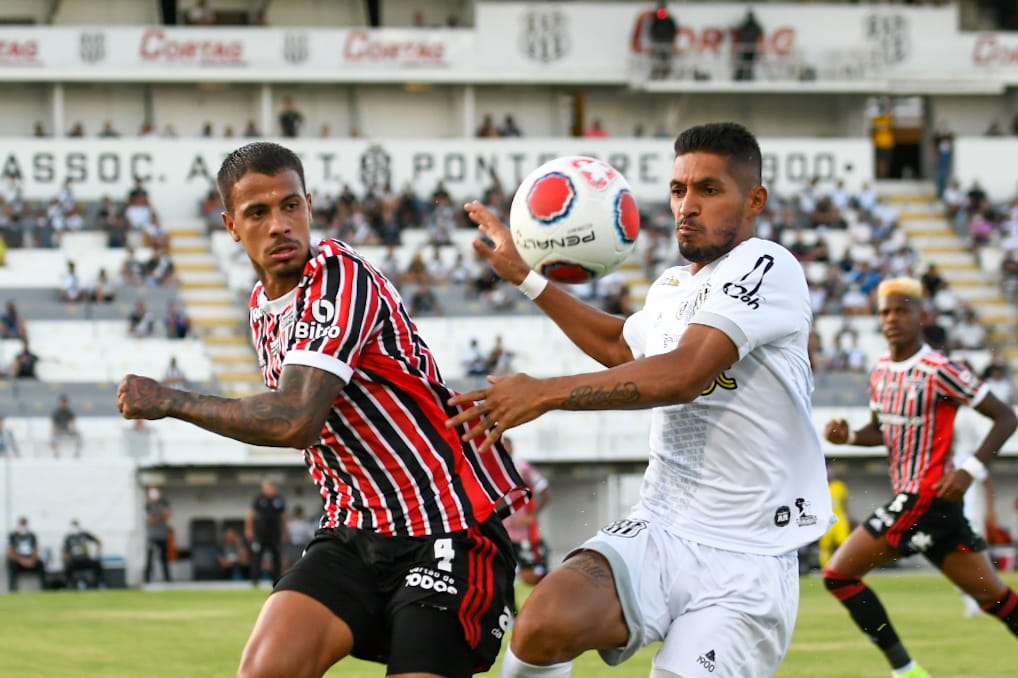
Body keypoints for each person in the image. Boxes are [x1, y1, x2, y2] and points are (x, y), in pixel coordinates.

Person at [116, 141, 527, 677]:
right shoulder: (262, 309)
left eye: (290, 206)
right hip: (354, 532)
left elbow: (295, 420)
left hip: (446, 530)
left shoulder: (339, 277)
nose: (280, 224)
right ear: (231, 226)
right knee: (265, 669)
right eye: (257, 213)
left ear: (309, 206)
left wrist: (170, 399)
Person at [447, 121, 833, 677]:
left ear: (755, 200)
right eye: (679, 190)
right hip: (660, 527)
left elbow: (683, 374)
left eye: (708, 189)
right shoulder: (674, 288)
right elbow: (617, 344)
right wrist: (527, 278)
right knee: (541, 627)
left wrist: (546, 394)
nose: (687, 206)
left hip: (744, 560)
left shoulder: (768, 267)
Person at [822, 277, 1018, 678]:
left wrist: (969, 469)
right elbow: (882, 433)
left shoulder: (939, 369)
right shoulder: (880, 371)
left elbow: (1006, 417)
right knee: (995, 600)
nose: (892, 319)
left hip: (925, 497)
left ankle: (906, 672)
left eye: (902, 310)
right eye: (885, 312)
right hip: (931, 506)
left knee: (838, 574)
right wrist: (851, 436)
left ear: (922, 316)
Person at [501, 436, 552, 586]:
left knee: (531, 578)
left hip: (524, 534)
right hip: (501, 534)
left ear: (511, 448)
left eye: (505, 446)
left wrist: (532, 515)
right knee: (501, 578)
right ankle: (512, 609)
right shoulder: (489, 470)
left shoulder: (523, 468)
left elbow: (546, 491)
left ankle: (539, 606)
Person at [245, 478, 287, 586]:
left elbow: (283, 517)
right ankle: (255, 581)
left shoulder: (279, 500)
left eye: (271, 488)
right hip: (260, 534)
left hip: (275, 534)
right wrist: (249, 530)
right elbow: (251, 516)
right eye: (267, 488)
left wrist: (284, 532)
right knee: (257, 557)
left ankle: (276, 580)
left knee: (276, 557)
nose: (270, 490)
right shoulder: (259, 499)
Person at [817, 468, 850, 570]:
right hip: (828, 519)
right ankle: (827, 568)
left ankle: (844, 566)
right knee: (826, 547)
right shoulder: (821, 488)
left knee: (844, 545)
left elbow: (845, 503)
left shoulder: (838, 486)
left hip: (837, 518)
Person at [7, 516, 46, 592]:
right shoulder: (13, 536)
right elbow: (11, 551)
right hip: (18, 561)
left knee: (41, 564)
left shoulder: (32, 535)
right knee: (11, 564)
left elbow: (35, 549)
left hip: (30, 560)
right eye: (22, 524)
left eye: (25, 524)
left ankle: (44, 589)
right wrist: (21, 560)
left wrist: (32, 560)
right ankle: (12, 590)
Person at [62, 519, 104, 589]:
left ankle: (97, 584)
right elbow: (66, 552)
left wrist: (96, 553)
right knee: (67, 567)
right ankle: (70, 585)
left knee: (97, 565)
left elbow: (98, 542)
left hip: (86, 560)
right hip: (75, 561)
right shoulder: (68, 538)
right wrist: (67, 558)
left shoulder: (84, 534)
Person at [144, 485, 173, 583]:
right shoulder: (147, 505)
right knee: (149, 559)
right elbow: (150, 519)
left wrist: (157, 517)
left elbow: (168, 514)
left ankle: (167, 579)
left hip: (163, 535)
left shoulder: (164, 502)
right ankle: (147, 579)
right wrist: (161, 516)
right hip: (152, 535)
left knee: (164, 559)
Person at [733, 9, 763, 81]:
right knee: (749, 63)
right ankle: (748, 76)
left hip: (747, 46)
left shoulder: (746, 24)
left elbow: (740, 32)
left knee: (744, 62)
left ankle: (740, 76)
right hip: (751, 45)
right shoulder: (755, 25)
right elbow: (760, 32)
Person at [872, 98, 896, 180]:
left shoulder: (889, 119)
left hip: (888, 143)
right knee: (880, 162)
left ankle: (885, 177)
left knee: (886, 162)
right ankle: (881, 176)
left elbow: (891, 125)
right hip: (879, 143)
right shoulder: (876, 120)